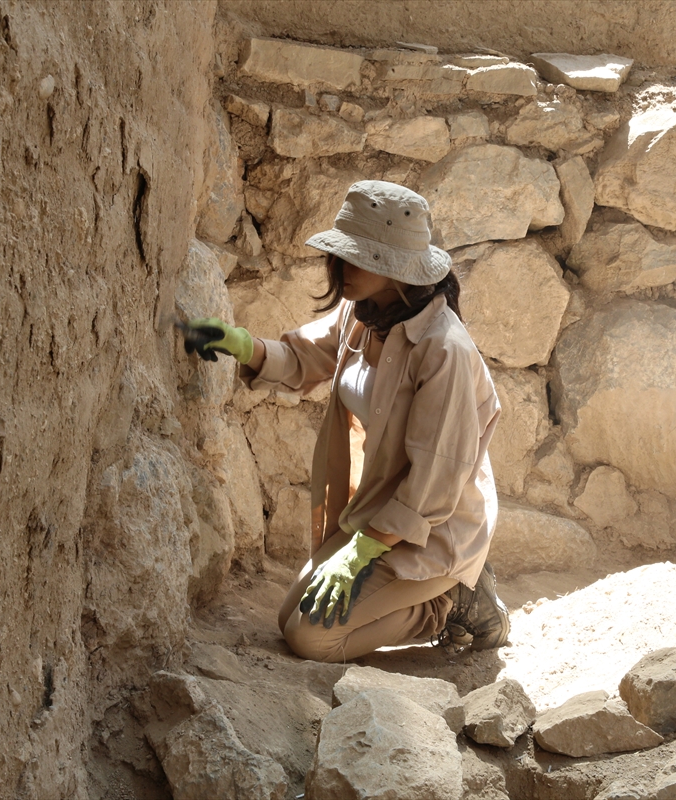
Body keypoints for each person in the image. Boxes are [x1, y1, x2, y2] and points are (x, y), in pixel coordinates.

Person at [184, 180, 508, 663]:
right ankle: (415, 593)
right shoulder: (362, 314)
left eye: (358, 257)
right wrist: (241, 344)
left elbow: (437, 478)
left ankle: (453, 602)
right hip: (377, 516)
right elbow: (305, 358)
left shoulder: (445, 351)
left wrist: (363, 551)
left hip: (431, 531)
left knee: (311, 638)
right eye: (340, 254)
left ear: (395, 267)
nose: (339, 268)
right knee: (288, 616)